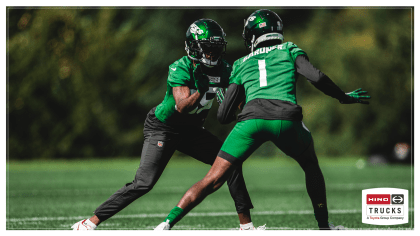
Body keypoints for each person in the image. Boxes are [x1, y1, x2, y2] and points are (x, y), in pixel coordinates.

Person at [154, 9, 371, 230]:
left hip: (250, 121)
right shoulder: (289, 49)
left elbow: (223, 115)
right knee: (311, 167)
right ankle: (324, 226)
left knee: (213, 178)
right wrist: (342, 97)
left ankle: (166, 223)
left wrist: (245, 115)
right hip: (286, 119)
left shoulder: (240, 63)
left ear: (252, 36)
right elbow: (315, 76)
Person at [71, 19, 259, 231]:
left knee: (230, 162)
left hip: (191, 130)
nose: (213, 54)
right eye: (208, 48)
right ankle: (90, 223)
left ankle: (246, 227)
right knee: (144, 183)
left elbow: (236, 103)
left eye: (216, 48)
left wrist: (246, 105)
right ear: (194, 47)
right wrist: (200, 91)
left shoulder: (225, 69)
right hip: (164, 127)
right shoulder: (181, 67)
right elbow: (181, 107)